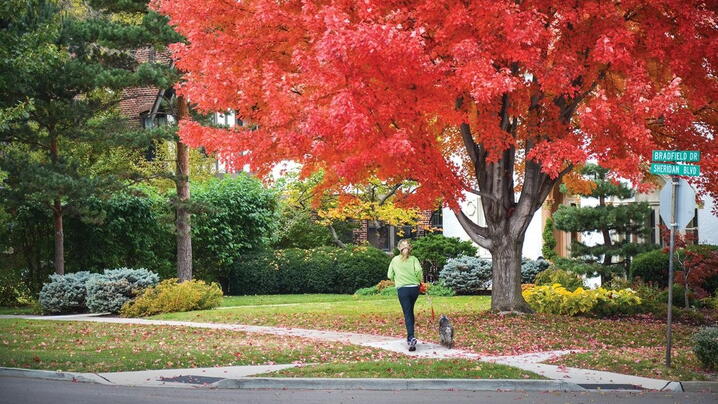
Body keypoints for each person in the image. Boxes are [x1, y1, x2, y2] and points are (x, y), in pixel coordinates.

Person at [387, 239, 423, 351]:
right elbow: (418, 271)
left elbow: (389, 275)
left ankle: (411, 337)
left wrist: (396, 279)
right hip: (414, 289)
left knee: (407, 313)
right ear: (410, 248)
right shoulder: (414, 259)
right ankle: (410, 336)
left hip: (402, 289)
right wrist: (418, 281)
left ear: (399, 248)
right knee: (410, 311)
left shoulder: (394, 260)